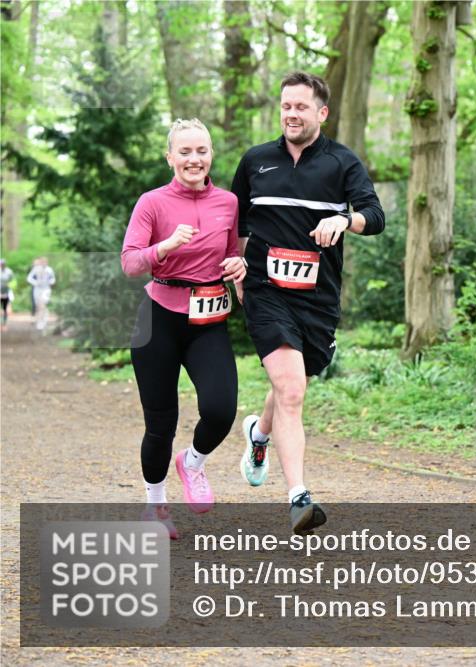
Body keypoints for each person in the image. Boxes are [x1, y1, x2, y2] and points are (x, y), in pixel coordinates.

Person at [231, 71, 384, 534]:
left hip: (318, 297)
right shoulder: (256, 161)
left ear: (321, 113)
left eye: (301, 106)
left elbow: (375, 215)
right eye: (285, 106)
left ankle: (259, 435)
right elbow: (234, 224)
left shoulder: (342, 163)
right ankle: (299, 496)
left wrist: (346, 221)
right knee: (292, 390)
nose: (291, 114)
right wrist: (235, 269)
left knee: (294, 382)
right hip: (265, 290)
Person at [122, 118, 246, 539]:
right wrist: (166, 246)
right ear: (170, 157)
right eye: (186, 152)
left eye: (202, 151)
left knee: (221, 408)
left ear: (211, 154)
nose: (195, 159)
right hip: (158, 317)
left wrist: (238, 265)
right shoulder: (152, 202)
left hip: (207, 319)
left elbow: (233, 253)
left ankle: (192, 462)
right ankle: (155, 508)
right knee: (161, 423)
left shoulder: (228, 202)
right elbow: (130, 262)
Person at [26, 256, 56, 331]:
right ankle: (40, 320)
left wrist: (51, 282)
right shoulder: (36, 269)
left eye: (45, 262)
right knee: (38, 305)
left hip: (46, 289)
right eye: (42, 262)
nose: (43, 263)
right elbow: (29, 278)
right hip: (37, 289)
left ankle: (43, 321)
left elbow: (53, 278)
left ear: (47, 262)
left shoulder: (49, 270)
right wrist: (35, 283)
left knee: (42, 304)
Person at [0, 259, 13, 331]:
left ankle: (4, 324)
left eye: (3, 264)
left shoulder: (9, 272)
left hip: (5, 292)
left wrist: (9, 287)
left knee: (4, 308)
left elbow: (13, 281)